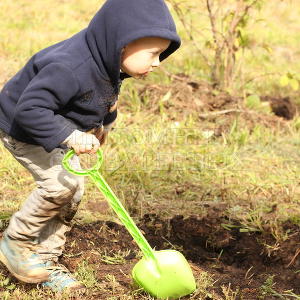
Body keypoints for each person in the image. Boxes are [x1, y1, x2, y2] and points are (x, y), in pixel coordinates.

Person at [0, 0, 181, 293]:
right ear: (123, 43)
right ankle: (16, 244)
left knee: (73, 189)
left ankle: (45, 261)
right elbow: (30, 110)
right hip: (24, 127)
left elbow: (103, 95)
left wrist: (102, 125)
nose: (158, 63)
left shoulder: (109, 60)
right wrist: (71, 136)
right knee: (59, 187)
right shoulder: (69, 67)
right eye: (153, 54)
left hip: (53, 123)